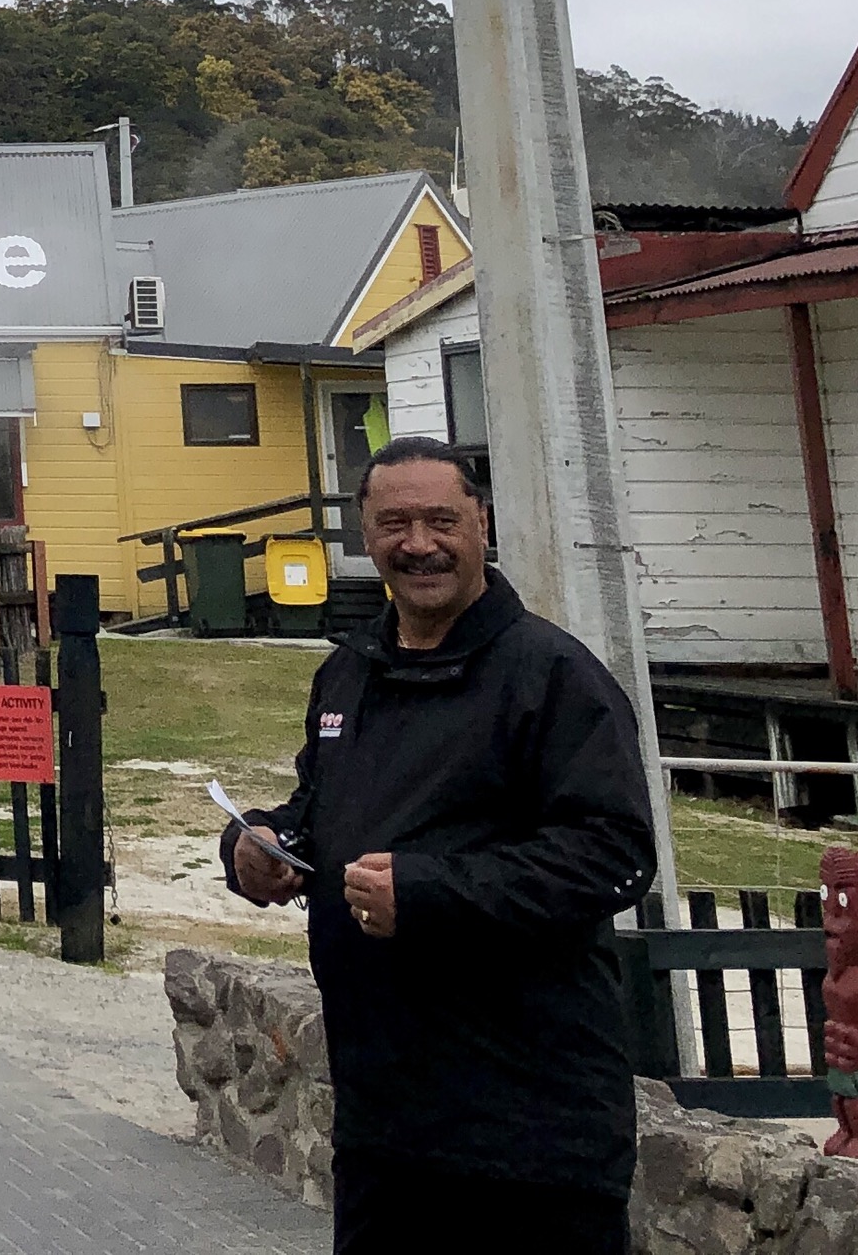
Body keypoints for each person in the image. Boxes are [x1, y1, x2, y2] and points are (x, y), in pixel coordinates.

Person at [222, 433, 658, 1254]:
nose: (418, 544)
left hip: (531, 1130)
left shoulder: (553, 676)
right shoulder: (349, 674)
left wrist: (428, 893)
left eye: (440, 521)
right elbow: (323, 808)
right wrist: (261, 843)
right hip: (384, 1121)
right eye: (395, 524)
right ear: (365, 535)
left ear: (481, 525)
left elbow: (614, 855)